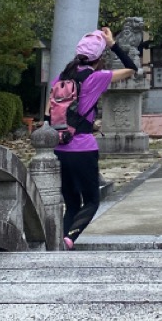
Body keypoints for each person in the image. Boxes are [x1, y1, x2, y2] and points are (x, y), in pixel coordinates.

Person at [46, 27, 137, 249]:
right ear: (99, 58)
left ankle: (61, 243)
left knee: (72, 203)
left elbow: (52, 113)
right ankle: (70, 238)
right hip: (83, 149)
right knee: (92, 201)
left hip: (60, 147)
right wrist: (113, 44)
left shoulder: (61, 77)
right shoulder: (97, 77)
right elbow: (131, 69)